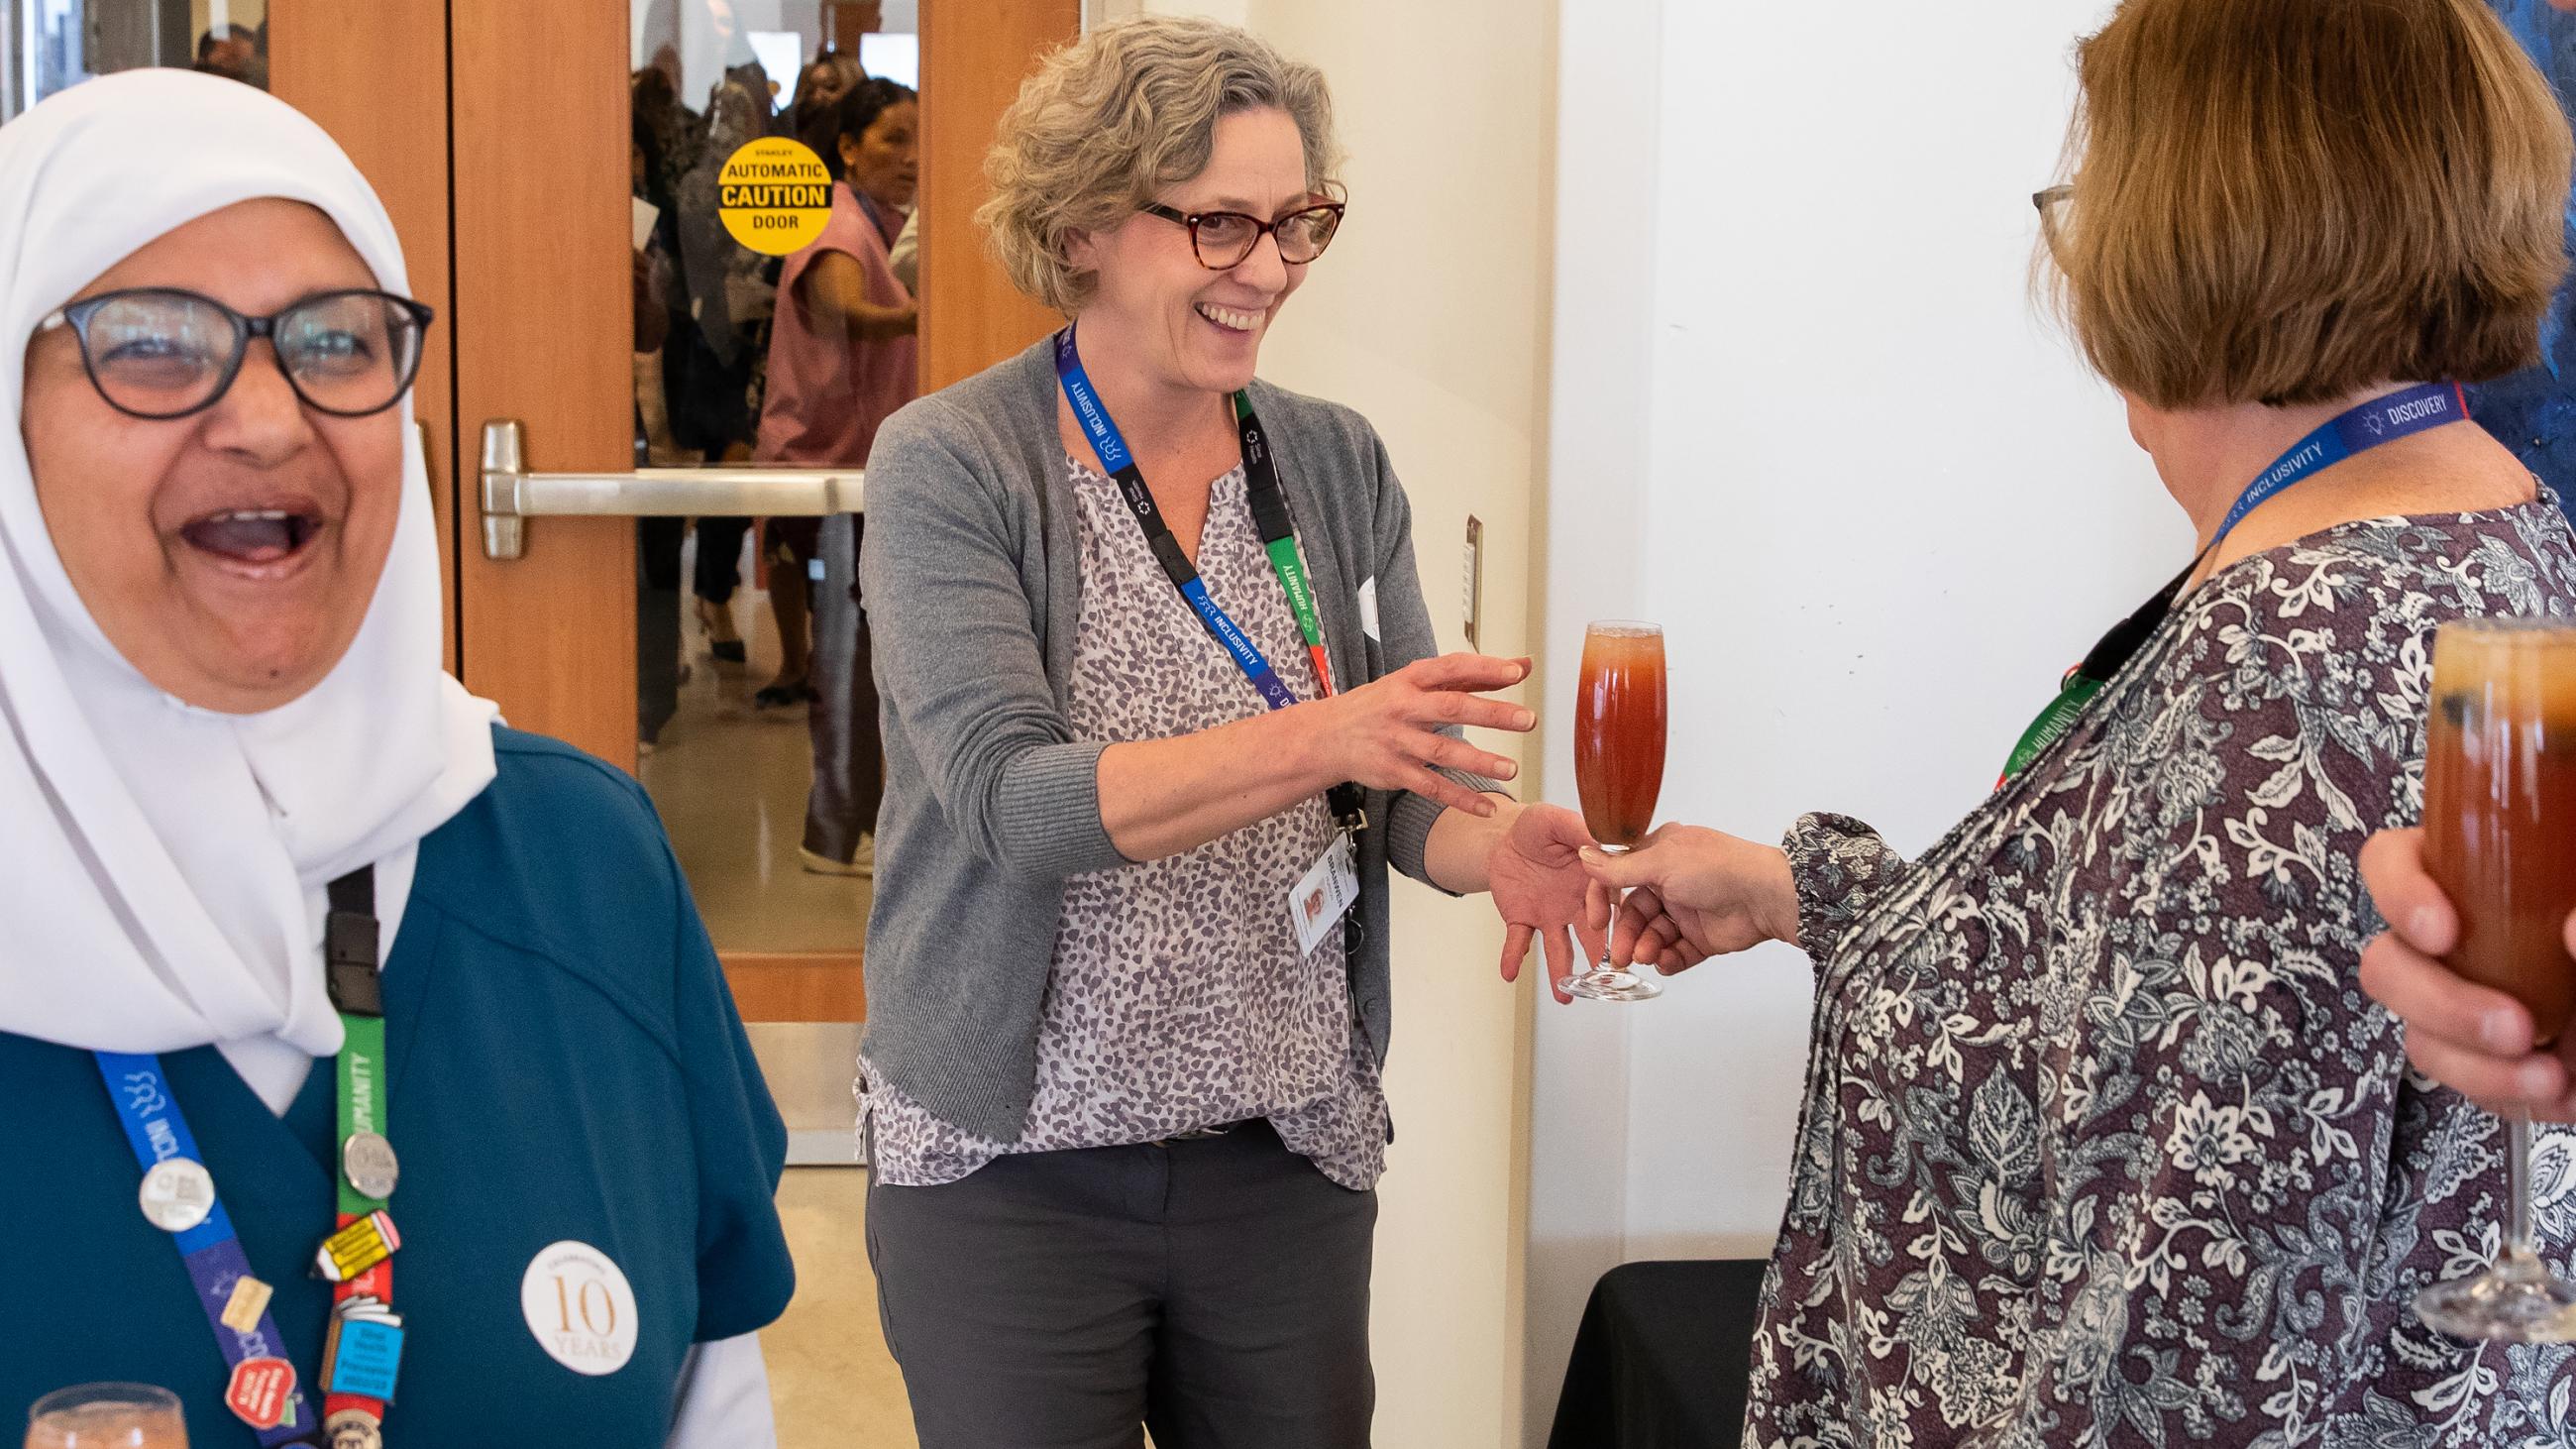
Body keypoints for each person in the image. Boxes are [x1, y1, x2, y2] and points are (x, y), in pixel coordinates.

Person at [1577, 0, 2576, 1440]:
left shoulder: (2278, 659)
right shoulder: (2482, 530)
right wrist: (1812, 894)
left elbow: (2191, 1346)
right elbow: (2136, 1009)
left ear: (2192, 228)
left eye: (2095, 196)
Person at [0, 72, 794, 1445]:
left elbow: (710, 1408)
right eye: (153, 343)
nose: (268, 419)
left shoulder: (578, 862)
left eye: (336, 339)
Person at [855, 17, 1599, 1445]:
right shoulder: (953, 463)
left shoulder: (1331, 459)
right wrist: (1330, 737)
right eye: (1218, 223)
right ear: (1082, 225)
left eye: (1296, 220)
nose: (1268, 267)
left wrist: (1491, 845)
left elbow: (1398, 780)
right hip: (1015, 1171)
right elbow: (1016, 803)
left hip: (1280, 1157)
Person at [755, 78, 918, 874]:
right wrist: (928, 313)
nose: (913, 156)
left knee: (860, 658)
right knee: (847, 662)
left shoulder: (882, 224)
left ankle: (852, 823)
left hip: (856, 470)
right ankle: (835, 834)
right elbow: (841, 306)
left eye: (920, 137)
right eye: (893, 138)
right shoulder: (835, 223)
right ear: (849, 149)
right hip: (823, 474)